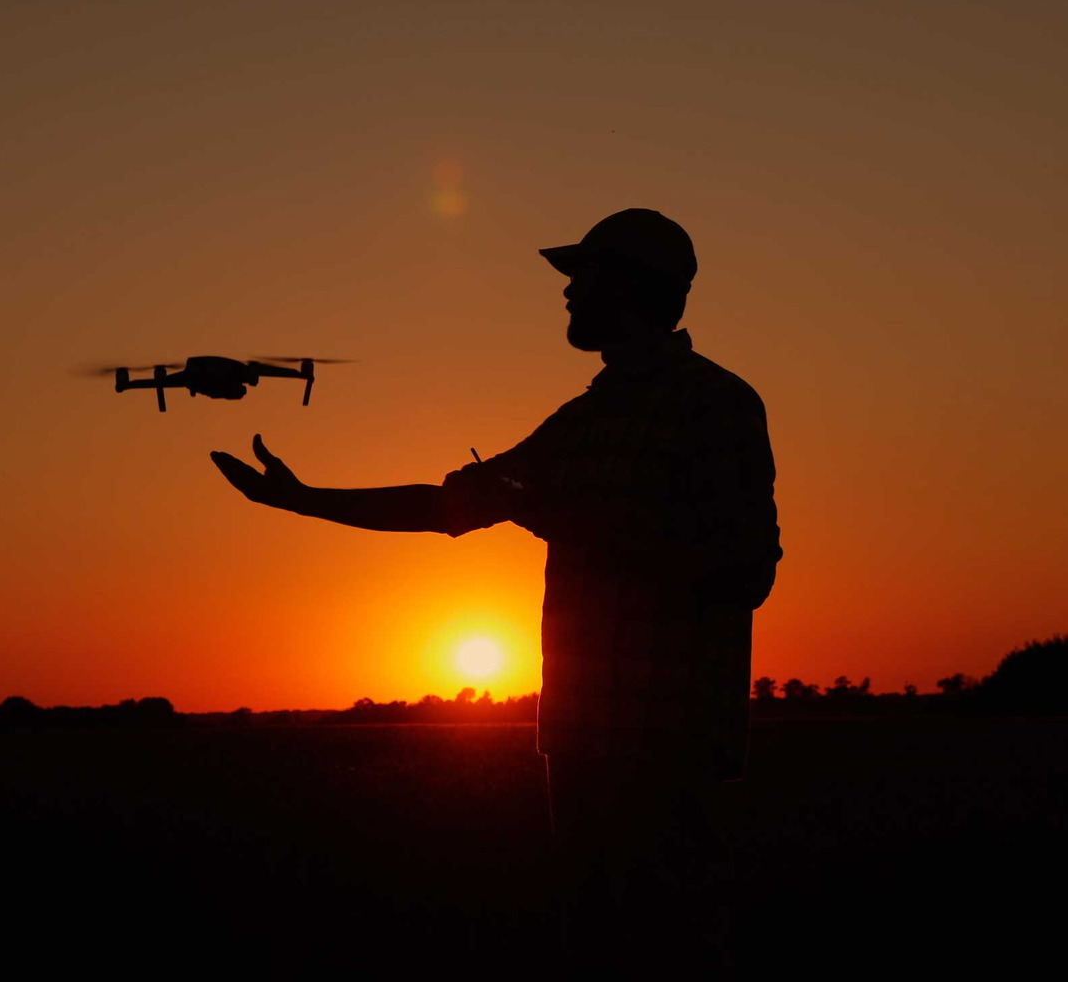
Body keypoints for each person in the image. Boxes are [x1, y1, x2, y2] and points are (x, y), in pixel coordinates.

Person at [210, 208, 783, 969]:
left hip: (671, 752)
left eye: (583, 276)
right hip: (581, 746)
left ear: (633, 288)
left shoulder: (717, 406)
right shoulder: (580, 423)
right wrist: (303, 499)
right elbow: (449, 506)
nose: (569, 293)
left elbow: (746, 569)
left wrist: (572, 520)